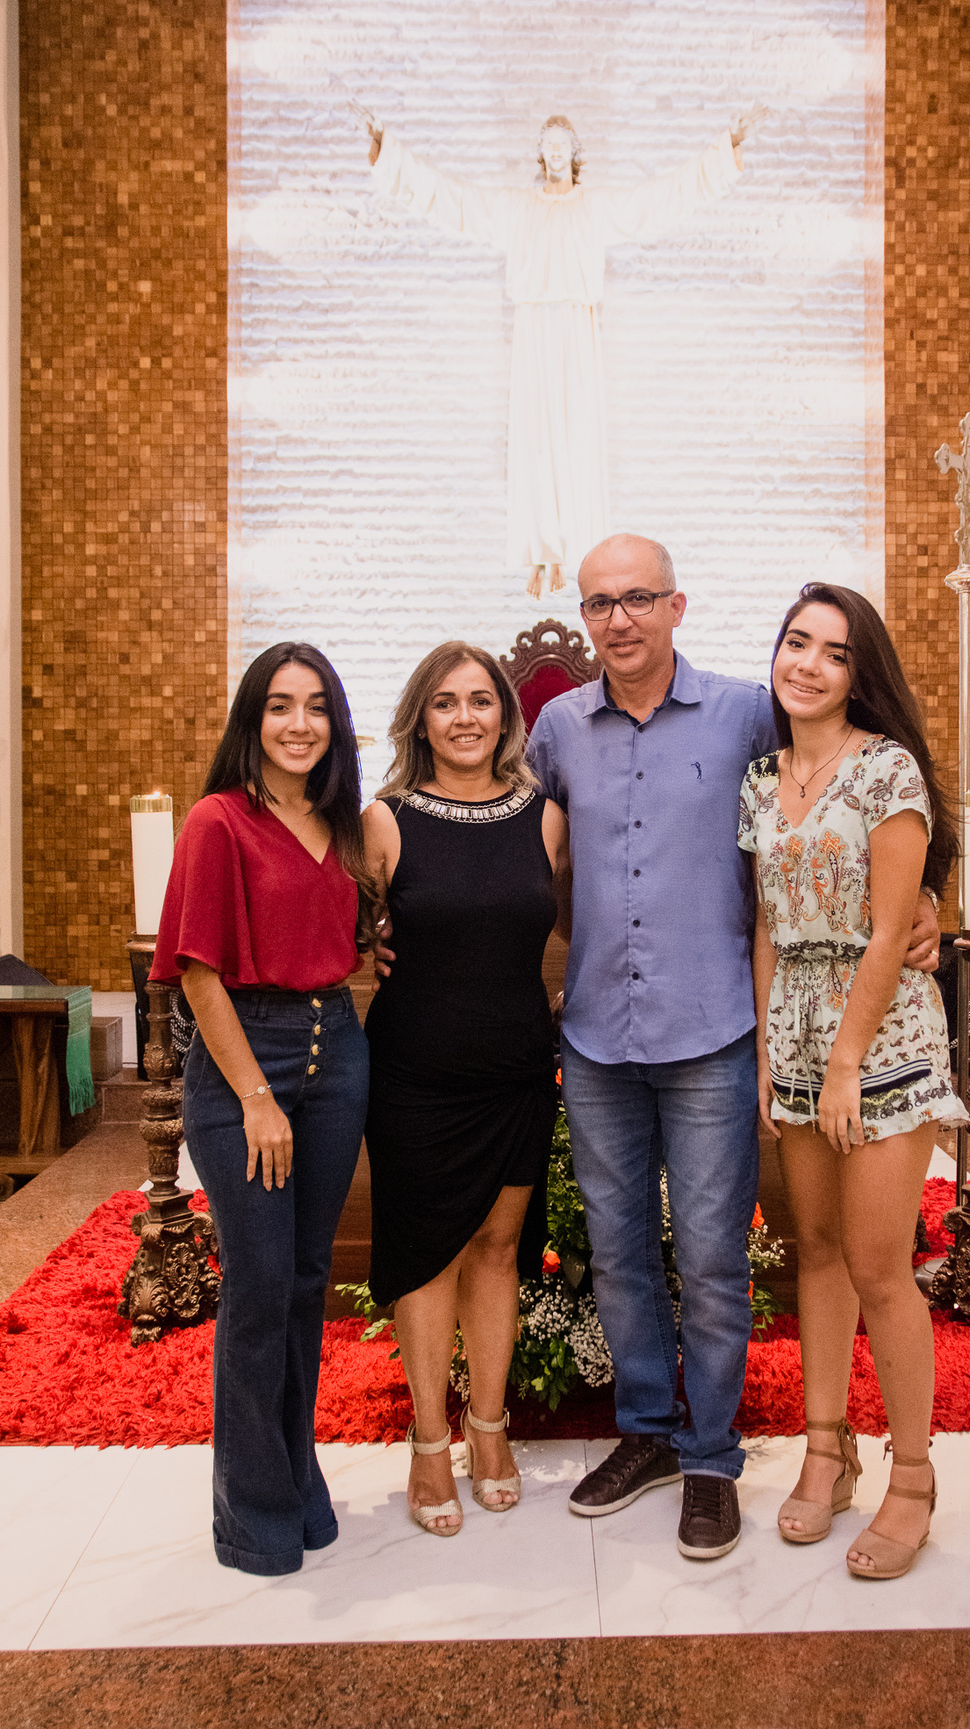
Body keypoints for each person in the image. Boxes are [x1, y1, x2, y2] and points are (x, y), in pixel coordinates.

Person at [524, 535, 942, 1560]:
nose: (619, 618)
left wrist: (928, 902)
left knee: (717, 1260)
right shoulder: (558, 728)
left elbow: (878, 812)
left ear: (677, 605)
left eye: (639, 598)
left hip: (718, 1033)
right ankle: (651, 1435)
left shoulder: (748, 712)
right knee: (623, 1254)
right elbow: (509, 847)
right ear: (584, 618)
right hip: (607, 1033)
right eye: (600, 603)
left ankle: (713, 1458)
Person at [739, 583, 968, 1579]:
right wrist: (767, 1054)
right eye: (798, 642)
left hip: (880, 1037)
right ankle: (825, 1452)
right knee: (818, 1251)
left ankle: (912, 1478)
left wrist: (842, 1066)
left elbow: (889, 930)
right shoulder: (761, 778)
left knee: (878, 1263)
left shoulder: (887, 770)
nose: (809, 664)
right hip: (794, 1032)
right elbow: (764, 924)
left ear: (858, 674)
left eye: (834, 652)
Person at [150, 643, 372, 1576]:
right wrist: (254, 1098)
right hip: (249, 1057)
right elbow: (199, 973)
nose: (299, 724)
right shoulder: (218, 821)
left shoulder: (342, 823)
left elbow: (347, 937)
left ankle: (295, 1472)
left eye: (316, 706)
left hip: (336, 1052)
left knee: (306, 1282)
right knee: (257, 1286)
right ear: (253, 718)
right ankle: (252, 1512)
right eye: (280, 705)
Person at [363, 108, 764, 596]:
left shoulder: (593, 207)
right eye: (548, 144)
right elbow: (454, 201)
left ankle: (572, 550)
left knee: (577, 438)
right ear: (541, 154)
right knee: (534, 439)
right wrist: (387, 149)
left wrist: (726, 148)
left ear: (574, 154)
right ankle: (541, 553)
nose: (555, 152)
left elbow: (660, 199)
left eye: (562, 145)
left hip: (577, 325)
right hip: (533, 326)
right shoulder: (518, 208)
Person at [362, 642, 570, 1536]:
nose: (464, 718)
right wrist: (365, 944)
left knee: (497, 1247)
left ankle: (489, 1430)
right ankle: (427, 1439)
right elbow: (343, 931)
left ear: (505, 716)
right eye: (445, 703)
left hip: (514, 1067)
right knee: (428, 1255)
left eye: (480, 700)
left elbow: (586, 919)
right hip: (414, 1073)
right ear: (421, 719)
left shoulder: (546, 817)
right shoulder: (384, 820)